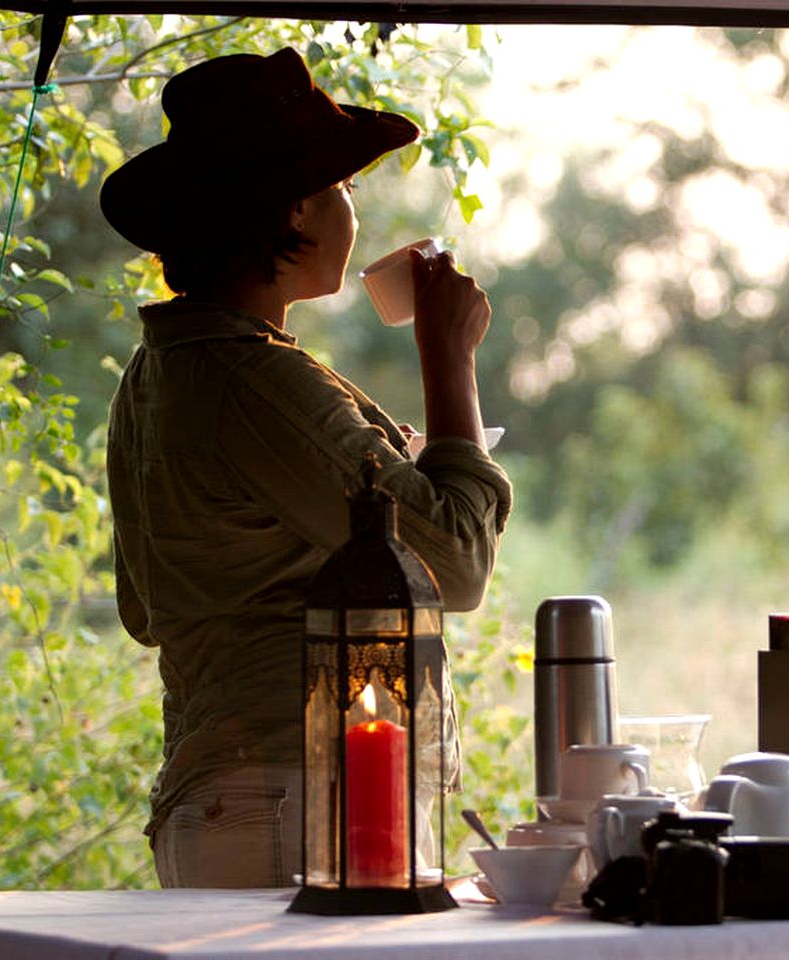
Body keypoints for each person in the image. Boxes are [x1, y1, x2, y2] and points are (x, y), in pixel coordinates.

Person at [98, 48, 511, 888]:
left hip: (239, 796)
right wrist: (448, 356)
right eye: (344, 189)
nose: (353, 210)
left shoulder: (163, 373)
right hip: (297, 799)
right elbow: (455, 563)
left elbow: (149, 608)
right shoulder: (253, 378)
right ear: (295, 209)